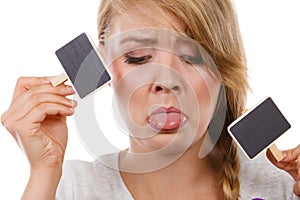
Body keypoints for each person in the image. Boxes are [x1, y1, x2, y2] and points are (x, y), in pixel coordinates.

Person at [1, 0, 300, 199]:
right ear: (102, 66)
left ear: (222, 71)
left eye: (191, 57)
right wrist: (44, 172)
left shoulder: (282, 184)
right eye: (138, 58)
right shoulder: (72, 188)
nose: (166, 81)